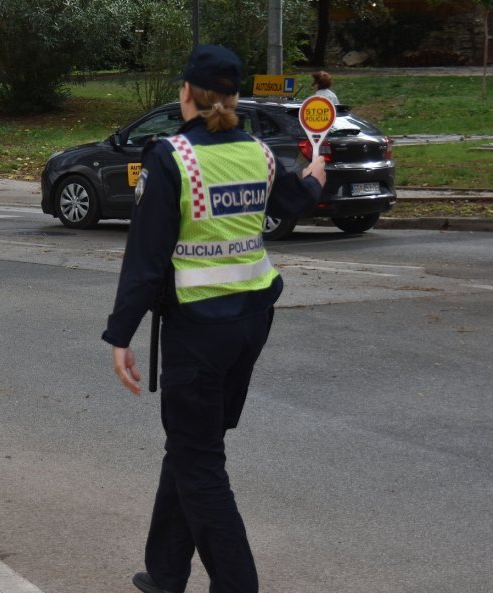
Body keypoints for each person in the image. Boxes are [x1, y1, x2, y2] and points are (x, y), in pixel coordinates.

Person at [102, 44, 326, 593]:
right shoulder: (260, 152)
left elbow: (147, 257)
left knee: (200, 463)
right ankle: (165, 572)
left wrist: (120, 334)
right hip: (250, 323)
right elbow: (295, 201)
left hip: (199, 330)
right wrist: (316, 174)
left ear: (186, 94)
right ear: (232, 97)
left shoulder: (171, 157)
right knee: (191, 444)